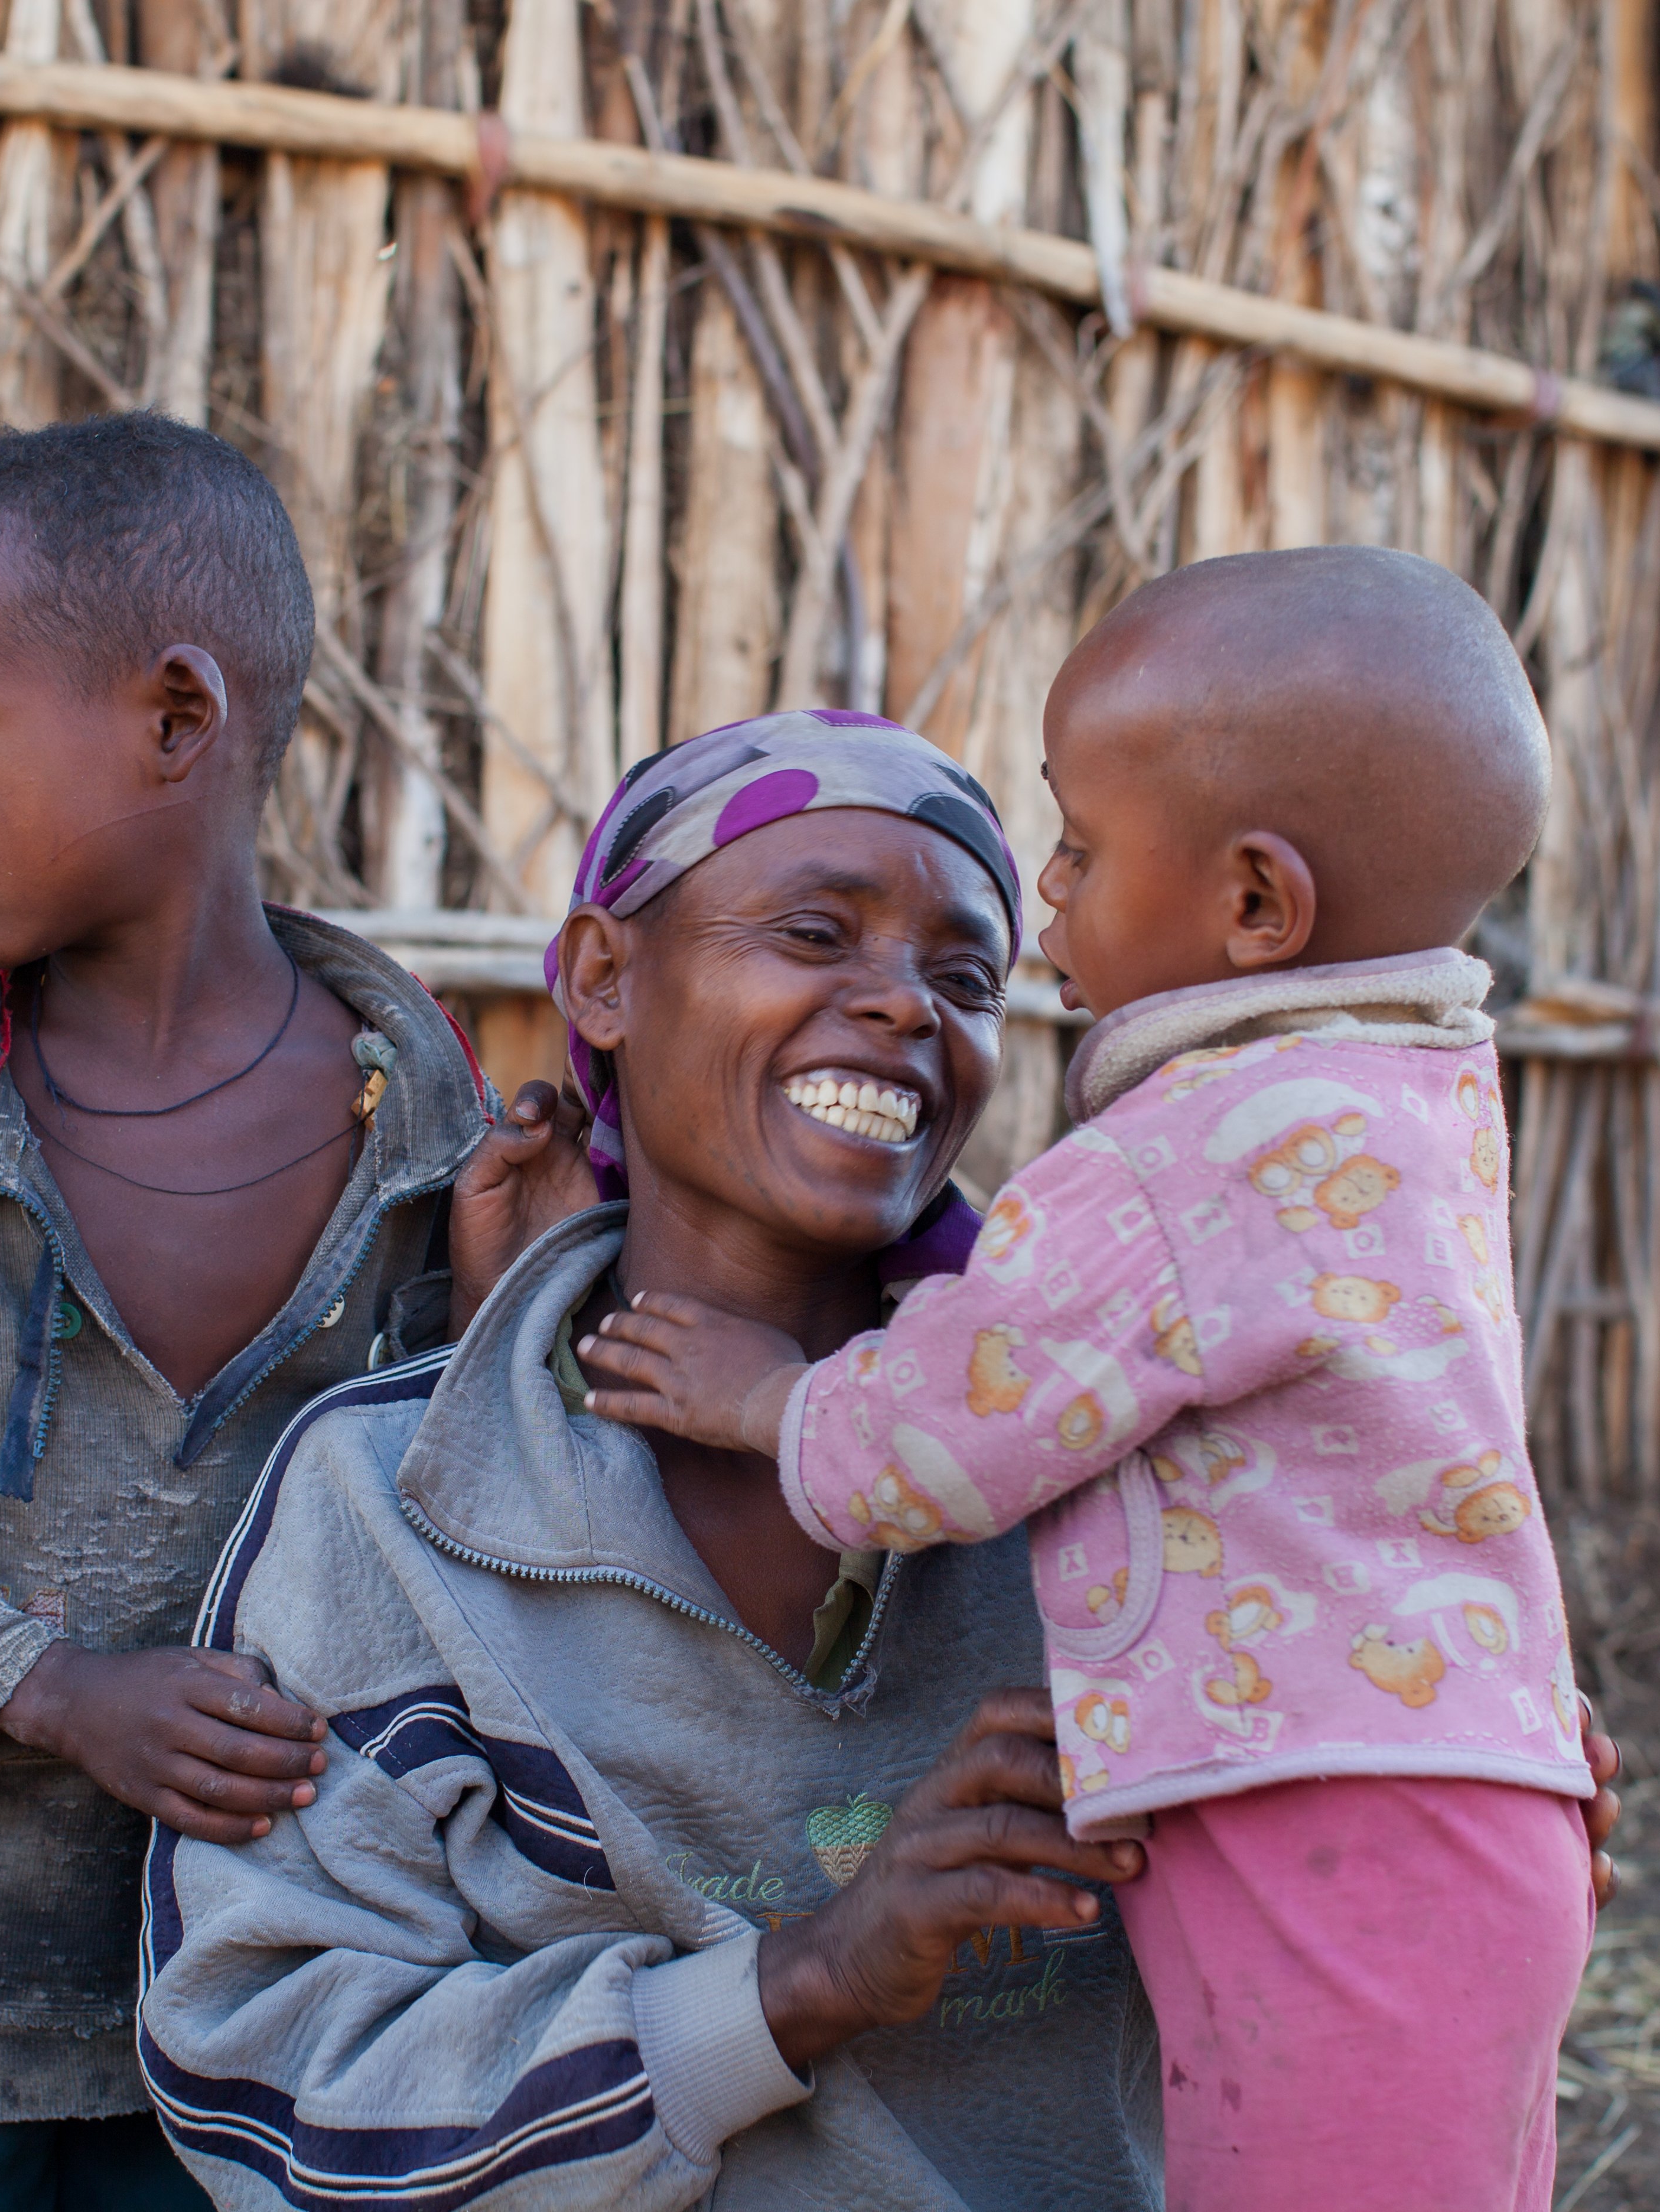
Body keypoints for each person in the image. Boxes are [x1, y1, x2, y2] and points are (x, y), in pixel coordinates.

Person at [578, 548, 1607, 2210]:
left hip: (1326, 1852)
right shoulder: (1411, 1113)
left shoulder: (1183, 1155)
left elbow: (936, 1438)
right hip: (1456, 1831)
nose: (1049, 897)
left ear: (1257, 909)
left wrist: (776, 1396)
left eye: (1073, 849)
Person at [0, 416, 585, 2210]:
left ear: (180, 720)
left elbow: (468, 1536)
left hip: (272, 1990)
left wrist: (500, 1322)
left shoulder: (422, 1122)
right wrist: (57, 1692)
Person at [136, 713, 1171, 2208]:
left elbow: (1298, 1945)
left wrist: (1430, 1817)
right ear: (607, 980)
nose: (902, 1008)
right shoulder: (396, 1498)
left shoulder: (1125, 1484)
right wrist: (797, 1984)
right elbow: (271, 2076)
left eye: (966, 978)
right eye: (817, 931)